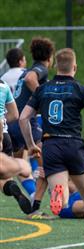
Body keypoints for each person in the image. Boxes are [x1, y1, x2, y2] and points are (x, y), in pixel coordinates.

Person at [19, 48, 84, 249]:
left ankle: (58, 195)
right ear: (75, 67)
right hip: (73, 144)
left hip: (50, 145)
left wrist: (31, 145)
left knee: (61, 204)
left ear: (55, 66)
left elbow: (23, 118)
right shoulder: (80, 89)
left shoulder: (42, 89)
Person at [9, 37, 55, 218]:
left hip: (12, 123)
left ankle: (27, 197)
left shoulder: (26, 70)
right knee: (46, 166)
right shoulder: (39, 70)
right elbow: (31, 79)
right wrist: (44, 99)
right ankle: (40, 205)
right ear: (50, 57)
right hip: (26, 122)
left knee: (16, 167)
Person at [1, 79, 32, 214]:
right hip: (4, 134)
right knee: (4, 175)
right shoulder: (3, 85)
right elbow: (14, 114)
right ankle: (13, 186)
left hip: (1, 135)